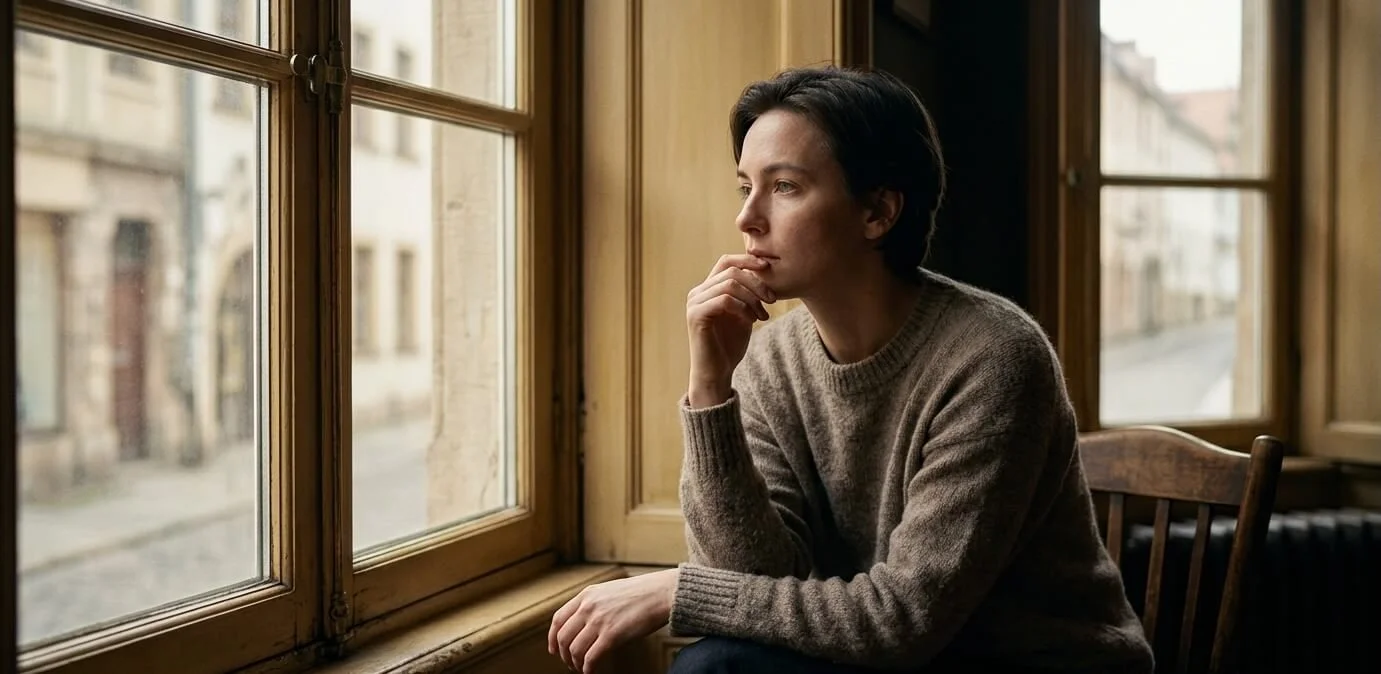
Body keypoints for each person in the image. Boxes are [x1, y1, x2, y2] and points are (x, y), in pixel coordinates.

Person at [549, 66, 1154, 674]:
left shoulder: (994, 358)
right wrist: (710, 390)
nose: (747, 218)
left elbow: (902, 620)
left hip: (1033, 661)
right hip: (888, 660)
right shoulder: (769, 360)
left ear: (877, 213)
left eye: (783, 186)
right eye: (745, 188)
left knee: (717, 667)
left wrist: (679, 590)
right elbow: (752, 578)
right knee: (722, 660)